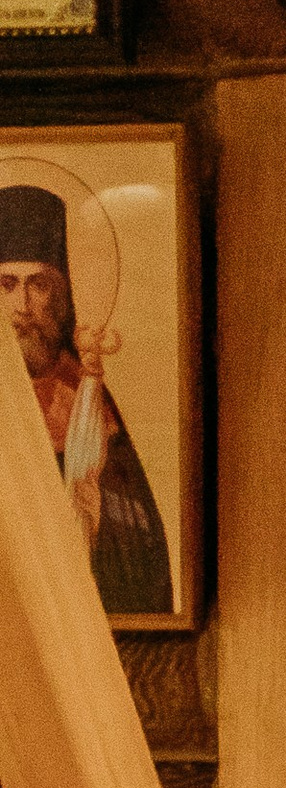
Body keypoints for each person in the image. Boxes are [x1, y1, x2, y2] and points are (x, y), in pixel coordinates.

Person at [0, 184, 170, 617]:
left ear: (61, 294)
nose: (22, 305)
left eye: (37, 284)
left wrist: (91, 507)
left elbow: (138, 539)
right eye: (7, 284)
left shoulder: (86, 397)